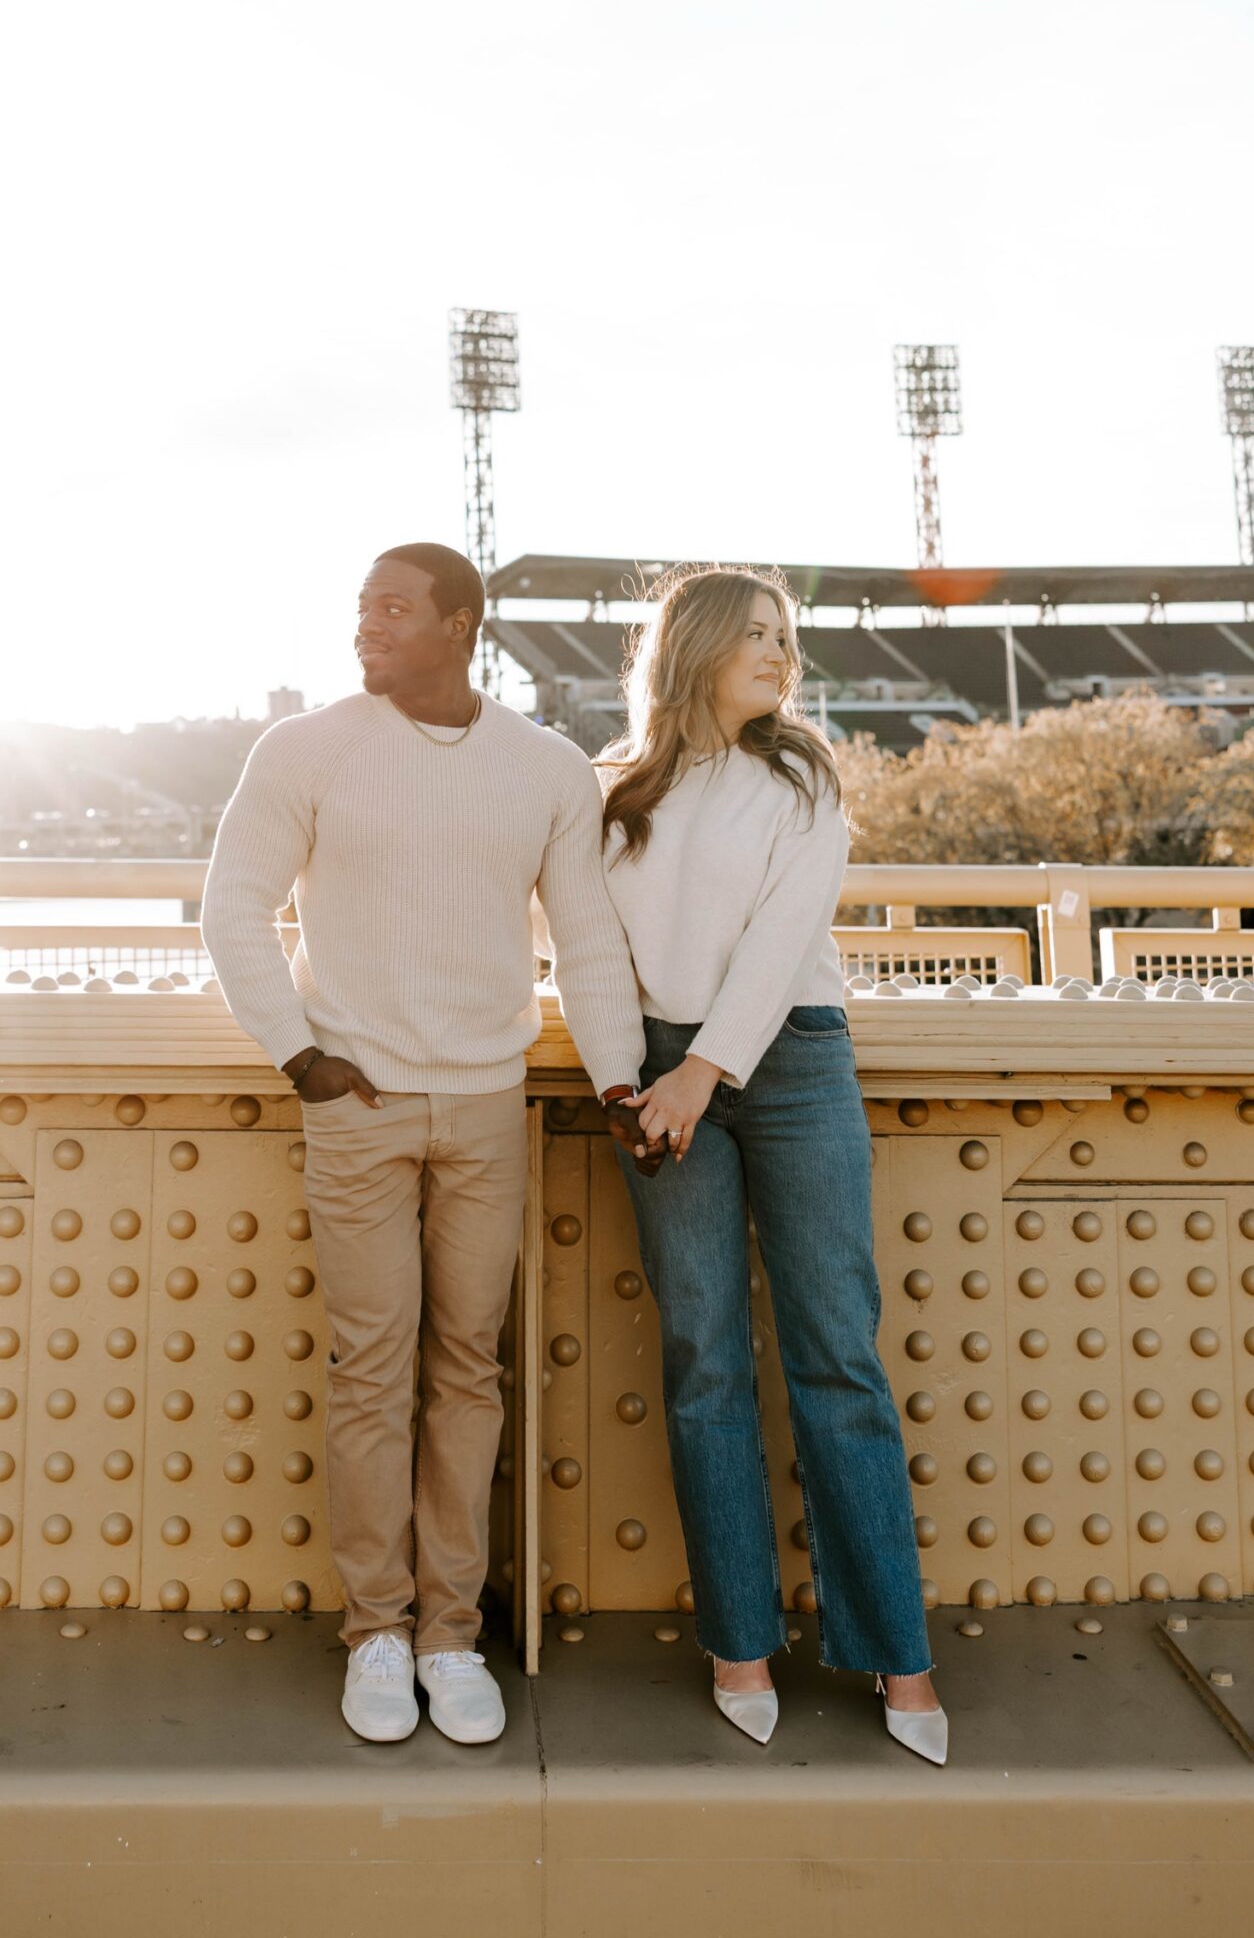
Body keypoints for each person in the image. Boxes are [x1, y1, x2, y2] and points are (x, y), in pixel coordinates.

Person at [202, 542, 644, 1748]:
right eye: (359, 608)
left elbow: (589, 940)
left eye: (393, 609)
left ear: (462, 624)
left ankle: (452, 1634)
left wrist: (617, 1081)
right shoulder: (302, 750)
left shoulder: (545, 766)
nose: (366, 627)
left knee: (468, 1369)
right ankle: (378, 1633)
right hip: (358, 1107)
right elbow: (232, 903)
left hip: (489, 1110)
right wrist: (301, 1056)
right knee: (370, 1370)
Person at [597, 565, 947, 1764]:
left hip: (789, 1063)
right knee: (704, 1359)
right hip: (653, 1078)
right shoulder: (616, 795)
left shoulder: (802, 778)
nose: (780, 654)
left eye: (787, 638)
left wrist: (707, 1071)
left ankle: (900, 1655)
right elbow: (588, 953)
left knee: (837, 1355)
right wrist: (628, 1078)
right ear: (690, 645)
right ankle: (739, 1644)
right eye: (755, 634)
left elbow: (781, 939)